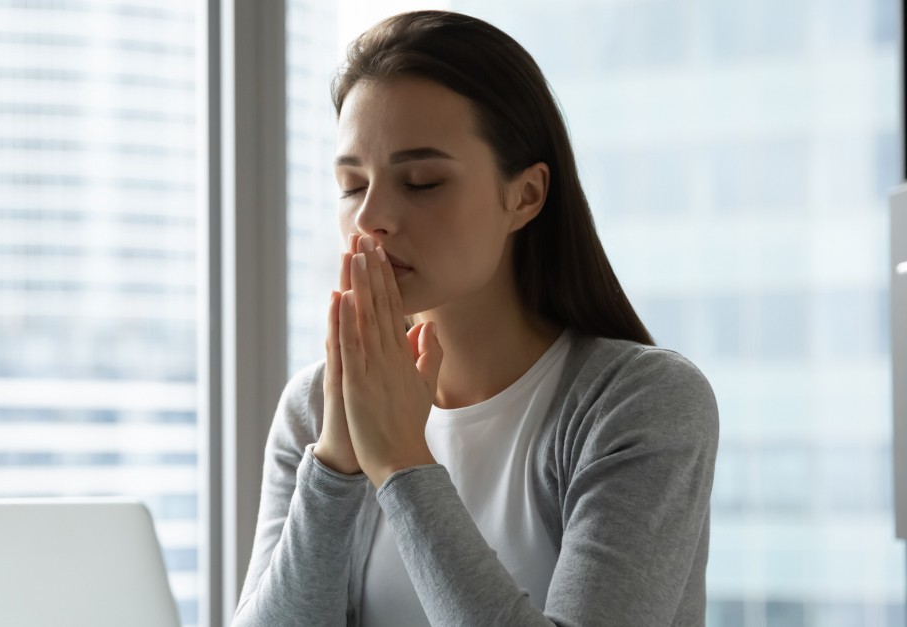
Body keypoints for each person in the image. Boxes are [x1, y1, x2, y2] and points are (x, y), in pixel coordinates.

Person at [233, 10, 718, 627]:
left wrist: (401, 462)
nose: (371, 217)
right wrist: (335, 464)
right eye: (352, 186)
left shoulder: (639, 402)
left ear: (525, 196)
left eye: (422, 182)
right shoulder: (316, 406)